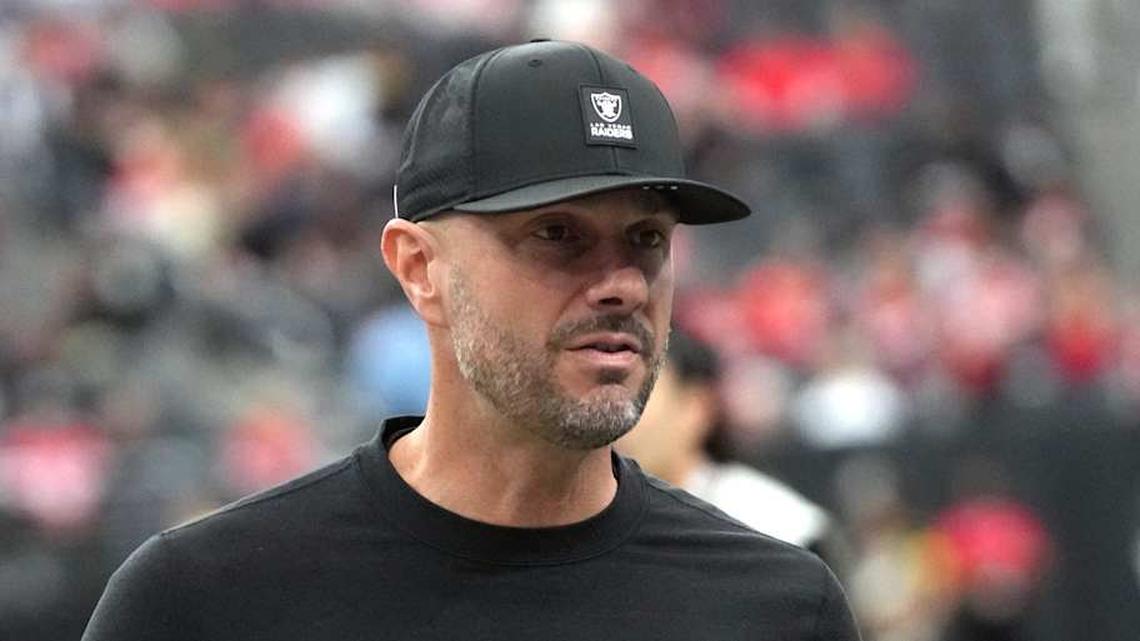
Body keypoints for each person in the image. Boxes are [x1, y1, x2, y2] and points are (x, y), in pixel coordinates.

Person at [82, 40, 861, 640]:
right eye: (557, 234)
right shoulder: (203, 599)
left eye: (647, 238)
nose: (623, 283)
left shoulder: (777, 607)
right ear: (419, 268)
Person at [617, 329, 846, 564]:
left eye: (635, 395)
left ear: (696, 408)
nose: (616, 415)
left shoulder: (773, 524)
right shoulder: (604, 523)